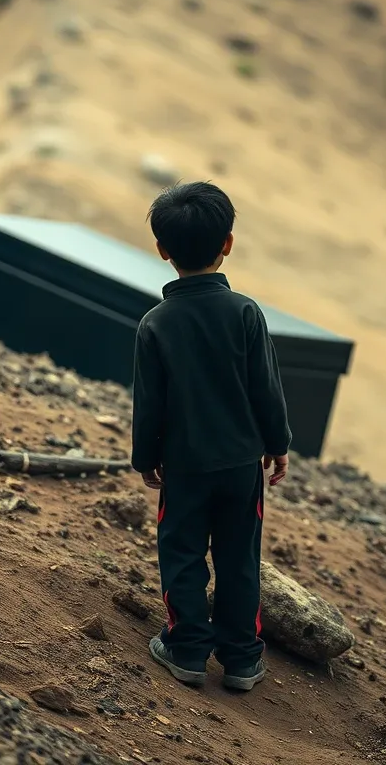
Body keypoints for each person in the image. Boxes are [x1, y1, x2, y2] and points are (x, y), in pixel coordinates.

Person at [130, 181, 291, 692]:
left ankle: (187, 650)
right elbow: (265, 386)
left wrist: (145, 458)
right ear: (228, 243)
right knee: (239, 558)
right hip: (242, 467)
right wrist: (278, 442)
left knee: (181, 555)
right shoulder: (245, 312)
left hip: (184, 466)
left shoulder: (155, 324)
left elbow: (149, 403)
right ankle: (243, 660)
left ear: (162, 251)